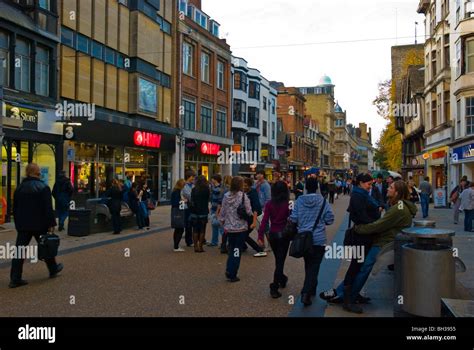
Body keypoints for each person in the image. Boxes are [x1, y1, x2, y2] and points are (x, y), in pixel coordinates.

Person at [321, 181, 417, 312]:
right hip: (386, 240)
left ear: (397, 193)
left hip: (385, 243)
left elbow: (379, 225)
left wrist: (360, 229)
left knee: (363, 269)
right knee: (361, 267)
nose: (387, 189)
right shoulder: (398, 206)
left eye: (391, 187)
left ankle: (349, 297)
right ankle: (342, 293)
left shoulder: (398, 209)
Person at [320, 173, 381, 313]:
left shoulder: (362, 194)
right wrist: (375, 223)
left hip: (365, 235)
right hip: (361, 237)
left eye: (371, 184)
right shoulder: (358, 196)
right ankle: (347, 301)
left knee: (358, 267)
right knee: (355, 267)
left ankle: (353, 294)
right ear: (360, 183)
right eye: (368, 184)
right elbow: (361, 216)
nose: (370, 186)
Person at [9, 163, 63, 288]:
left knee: (19, 251)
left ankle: (15, 278)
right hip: (40, 224)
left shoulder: (19, 188)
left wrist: (18, 224)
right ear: (37, 173)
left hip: (24, 225)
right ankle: (53, 268)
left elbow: (15, 209)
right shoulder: (43, 187)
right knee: (46, 246)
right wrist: (51, 224)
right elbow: (48, 209)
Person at [289, 176, 335, 306]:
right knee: (314, 266)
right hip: (318, 239)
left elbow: (293, 218)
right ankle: (306, 292)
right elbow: (330, 219)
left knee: (308, 264)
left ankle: (311, 288)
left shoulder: (298, 201)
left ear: (305, 188)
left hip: (304, 238)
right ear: (317, 187)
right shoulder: (323, 201)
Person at [258, 181, 291, 298]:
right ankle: (274, 286)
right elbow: (291, 219)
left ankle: (282, 278)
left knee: (279, 259)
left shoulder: (269, 204)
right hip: (284, 234)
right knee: (280, 261)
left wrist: (260, 236)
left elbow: (264, 221)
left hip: (273, 234)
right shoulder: (288, 204)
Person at [219, 177, 253, 282]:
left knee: (231, 249)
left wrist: (223, 221)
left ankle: (229, 269)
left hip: (229, 228)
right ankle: (233, 273)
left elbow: (222, 212)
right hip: (240, 228)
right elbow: (249, 211)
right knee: (237, 251)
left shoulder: (226, 196)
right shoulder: (243, 196)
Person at [242, 177, 267, 257]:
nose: (244, 187)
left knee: (244, 234)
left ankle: (260, 250)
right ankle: (243, 246)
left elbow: (256, 208)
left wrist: (253, 221)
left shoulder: (253, 192)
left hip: (255, 216)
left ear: (250, 186)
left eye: (246, 186)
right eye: (243, 185)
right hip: (249, 216)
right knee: (243, 234)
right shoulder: (244, 192)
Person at [190, 175, 210, 253]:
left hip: (194, 211)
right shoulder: (206, 189)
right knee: (202, 230)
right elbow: (208, 199)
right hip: (203, 211)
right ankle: (200, 246)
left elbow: (192, 200)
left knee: (195, 229)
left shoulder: (194, 189)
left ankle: (195, 246)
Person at [209, 174, 225, 247]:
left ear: (215, 179)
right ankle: (214, 241)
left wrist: (217, 211)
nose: (211, 180)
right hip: (213, 208)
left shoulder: (219, 188)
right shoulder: (214, 187)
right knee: (214, 225)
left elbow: (220, 201)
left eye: (212, 179)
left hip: (218, 209)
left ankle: (224, 242)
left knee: (220, 226)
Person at [171, 179, 186, 252]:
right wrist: (183, 201)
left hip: (176, 210)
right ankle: (176, 246)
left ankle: (176, 245)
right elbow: (175, 203)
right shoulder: (177, 192)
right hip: (177, 211)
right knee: (180, 229)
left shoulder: (175, 191)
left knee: (177, 229)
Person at [182, 170, 196, 247]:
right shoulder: (184, 185)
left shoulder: (193, 185)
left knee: (193, 223)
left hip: (192, 206)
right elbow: (188, 195)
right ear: (189, 177)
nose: (193, 178)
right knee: (188, 224)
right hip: (187, 207)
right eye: (192, 177)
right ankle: (189, 241)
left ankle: (192, 239)